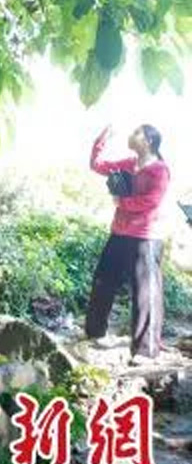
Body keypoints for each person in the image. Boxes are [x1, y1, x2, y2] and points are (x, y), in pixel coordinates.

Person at [84, 123, 171, 365]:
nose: (131, 135)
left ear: (149, 141)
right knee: (103, 281)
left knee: (146, 294)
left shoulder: (160, 170)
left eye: (137, 132)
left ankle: (146, 351)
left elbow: (152, 201)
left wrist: (121, 202)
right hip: (119, 233)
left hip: (146, 237)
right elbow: (97, 165)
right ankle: (94, 333)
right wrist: (100, 140)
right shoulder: (129, 164)